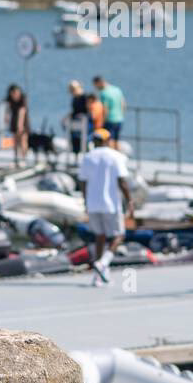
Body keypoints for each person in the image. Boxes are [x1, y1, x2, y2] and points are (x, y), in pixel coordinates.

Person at [77, 128, 133, 286]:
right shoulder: (116, 156)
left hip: (93, 203)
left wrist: (85, 200)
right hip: (111, 204)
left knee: (99, 237)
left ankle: (98, 277)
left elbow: (82, 181)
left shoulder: (87, 158)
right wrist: (130, 201)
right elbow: (122, 181)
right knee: (118, 236)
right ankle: (104, 263)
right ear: (108, 140)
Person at [94, 76, 126, 149]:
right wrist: (121, 116)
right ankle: (118, 156)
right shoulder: (117, 89)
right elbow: (123, 104)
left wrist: (102, 121)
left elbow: (105, 109)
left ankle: (111, 157)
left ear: (98, 83)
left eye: (96, 86)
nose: (96, 88)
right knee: (117, 140)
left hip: (109, 120)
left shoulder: (104, 93)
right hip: (119, 119)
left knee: (109, 140)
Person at [5, 84, 29, 164]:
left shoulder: (23, 98)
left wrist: (20, 125)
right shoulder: (9, 99)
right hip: (14, 120)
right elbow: (6, 108)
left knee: (23, 139)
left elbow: (22, 112)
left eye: (16, 92)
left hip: (23, 121)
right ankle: (16, 158)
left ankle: (24, 158)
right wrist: (6, 117)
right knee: (15, 140)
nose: (15, 95)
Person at [64, 80, 88, 156]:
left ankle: (84, 155)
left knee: (83, 140)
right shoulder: (74, 98)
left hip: (83, 122)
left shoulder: (84, 97)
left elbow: (86, 110)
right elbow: (74, 111)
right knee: (74, 140)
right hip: (74, 122)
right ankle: (75, 155)